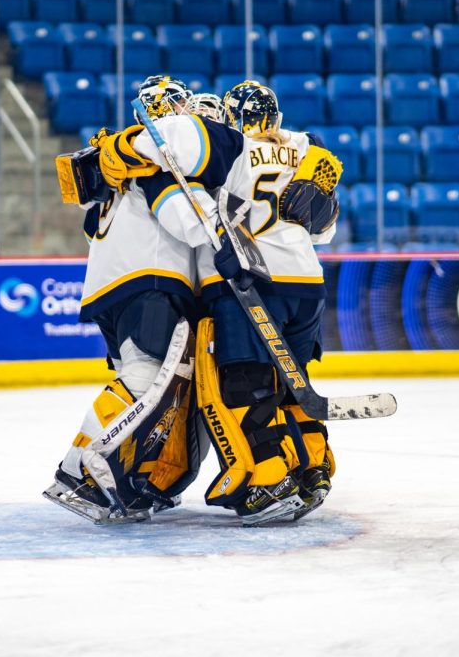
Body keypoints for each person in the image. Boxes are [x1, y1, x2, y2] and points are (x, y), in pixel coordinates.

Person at [117, 80, 343, 525]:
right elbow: (325, 228)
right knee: (291, 384)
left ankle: (269, 477)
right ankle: (312, 467)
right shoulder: (304, 147)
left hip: (249, 279)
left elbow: (176, 175)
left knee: (247, 386)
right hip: (307, 280)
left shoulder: (227, 148)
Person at [44, 76, 209, 524]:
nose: (185, 114)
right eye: (178, 106)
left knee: (141, 383)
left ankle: (124, 476)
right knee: (142, 381)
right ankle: (78, 472)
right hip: (149, 282)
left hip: (111, 288)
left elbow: (90, 224)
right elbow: (192, 224)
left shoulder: (116, 160)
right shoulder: (152, 162)